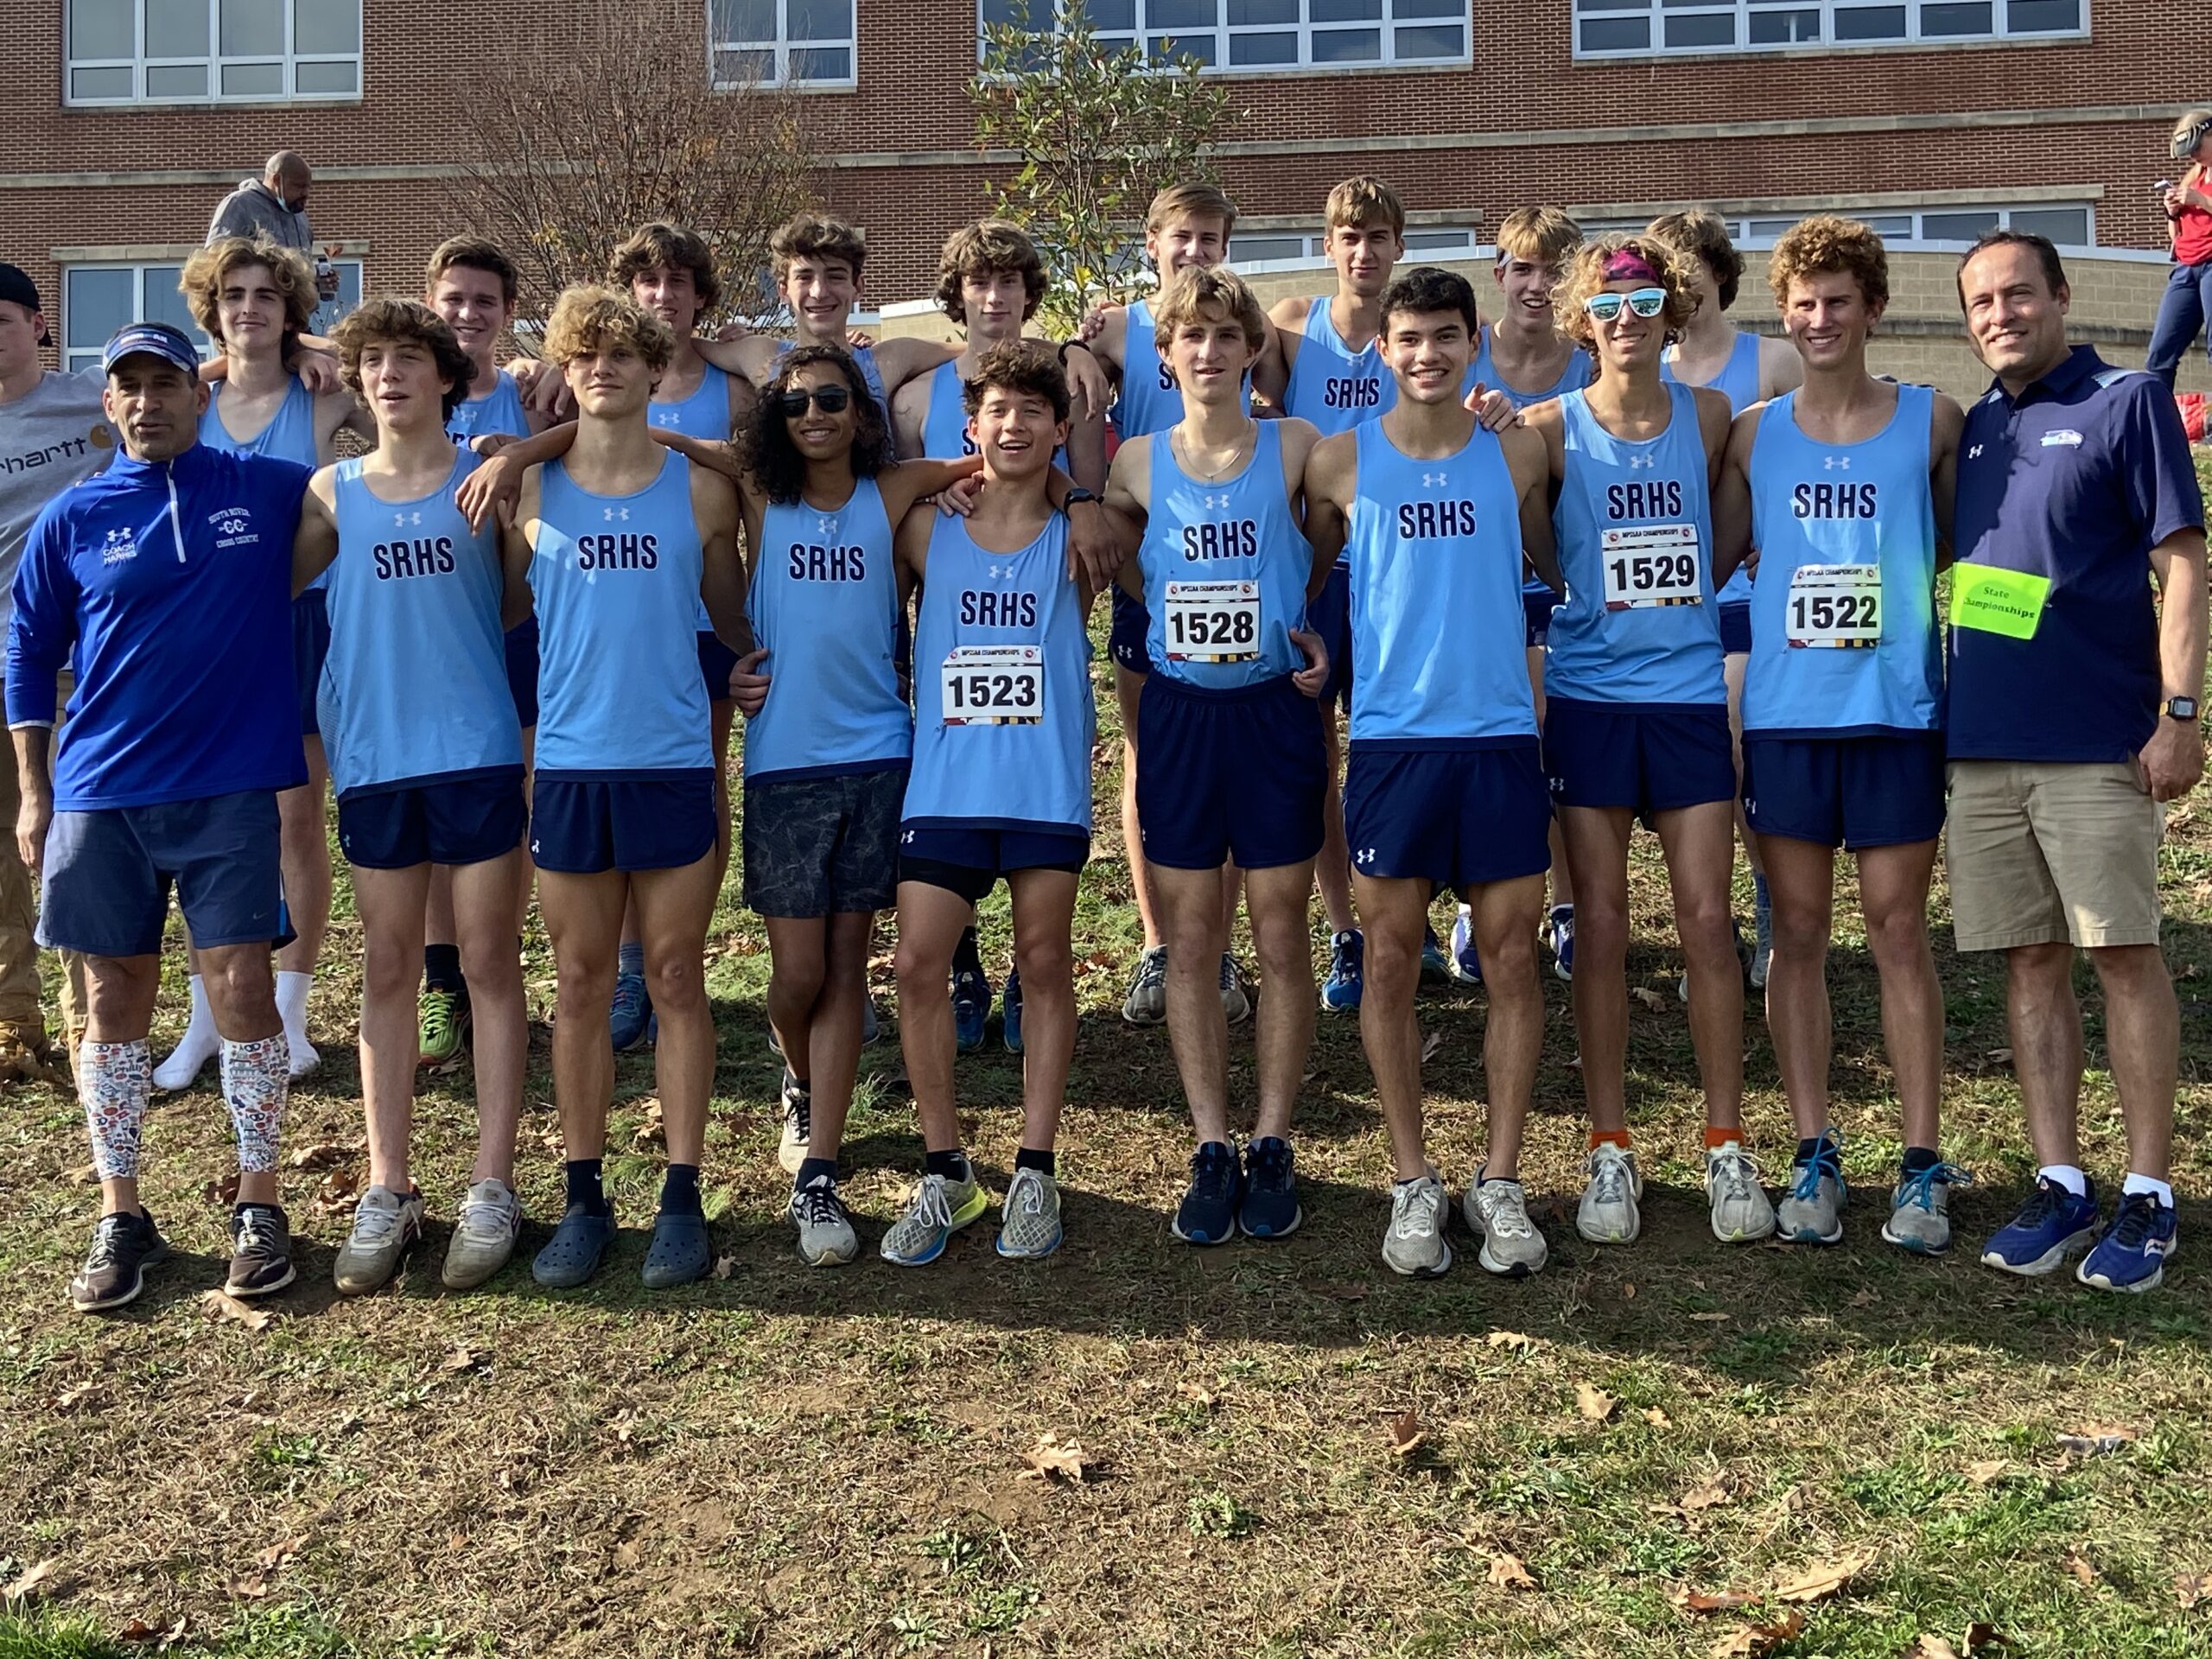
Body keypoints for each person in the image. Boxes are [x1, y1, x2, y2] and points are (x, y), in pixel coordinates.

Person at [7, 321, 308, 1312]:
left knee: (245, 994)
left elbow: (379, 483)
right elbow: (26, 652)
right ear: (108, 403)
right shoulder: (73, 517)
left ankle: (260, 1203)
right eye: (127, 385)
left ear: (199, 390)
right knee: (111, 1005)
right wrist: (36, 790)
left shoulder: (265, 491)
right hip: (101, 795)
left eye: (165, 382)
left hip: (227, 788)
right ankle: (120, 1210)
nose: (147, 401)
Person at [1947, 231, 2207, 1294]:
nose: (1998, 315)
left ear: (2060, 295)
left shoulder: (2128, 400)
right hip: (1980, 748)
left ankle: (2148, 1192)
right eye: (1978, 303)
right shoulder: (1972, 430)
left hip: (2097, 743)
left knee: (2122, 956)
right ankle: (2060, 1178)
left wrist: (2180, 713)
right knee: (2029, 962)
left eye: (2016, 294)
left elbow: (2181, 563)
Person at [1714, 216, 1967, 1251]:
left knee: (1899, 934)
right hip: (1784, 717)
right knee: (1798, 937)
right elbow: (1719, 553)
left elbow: (1951, 542)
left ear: (1872, 308)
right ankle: (1811, 1147)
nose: (1819, 319)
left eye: (1838, 302)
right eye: (1802, 304)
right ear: (1785, 314)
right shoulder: (1750, 432)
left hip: (1895, 711)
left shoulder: (1931, 420)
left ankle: (1919, 1161)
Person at [1303, 266, 1561, 1277]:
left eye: (1446, 337)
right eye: (1408, 339)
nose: (1427, 355)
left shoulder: (1518, 449)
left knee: (1508, 958)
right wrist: (1311, 644)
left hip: (1498, 737)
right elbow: (1309, 573)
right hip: (1391, 743)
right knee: (1392, 957)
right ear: (1384, 350)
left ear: (1472, 343)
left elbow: (1552, 562)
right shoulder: (1338, 462)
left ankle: (1498, 1180)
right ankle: (1411, 1179)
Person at [490, 285, 747, 1290]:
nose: (603, 369)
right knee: (584, 986)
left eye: (623, 356)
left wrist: (754, 665)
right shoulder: (533, 493)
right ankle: (585, 1195)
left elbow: (729, 621)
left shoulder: (699, 492)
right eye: (583, 355)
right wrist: (514, 456)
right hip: (569, 767)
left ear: (652, 372)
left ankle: (682, 1195)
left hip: (674, 760)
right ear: (564, 371)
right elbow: (507, 609)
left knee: (677, 978)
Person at [1529, 235, 1775, 1249]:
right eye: (1609, 304)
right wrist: (1577, 590)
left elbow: (1726, 537)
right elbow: (1534, 536)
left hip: (1681, 697)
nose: (1626, 321)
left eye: (1644, 304)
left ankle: (1724, 1142)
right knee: (1599, 925)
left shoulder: (1711, 416)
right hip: (1588, 697)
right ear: (1583, 320)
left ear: (1671, 316)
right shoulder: (1546, 429)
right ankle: (1609, 1145)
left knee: (1708, 923)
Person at [706, 346, 976, 1262]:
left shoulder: (892, 487)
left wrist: (1083, 499)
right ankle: (797, 1079)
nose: (814, 414)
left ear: (859, 412)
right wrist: (517, 453)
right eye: (794, 403)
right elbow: (655, 437)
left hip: (878, 756)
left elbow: (1002, 460)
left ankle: (818, 1170)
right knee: (797, 976)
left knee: (850, 967)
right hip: (784, 762)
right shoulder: (758, 492)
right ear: (773, 420)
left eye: (831, 398)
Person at [292, 300, 531, 1294]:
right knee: (388, 967)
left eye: (407, 359)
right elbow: (268, 589)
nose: (388, 375)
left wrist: (517, 459)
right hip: (377, 760)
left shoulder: (489, 478)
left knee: (485, 962)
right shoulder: (331, 491)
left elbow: (518, 597)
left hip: (474, 748)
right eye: (371, 361)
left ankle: (491, 1182)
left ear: (445, 375)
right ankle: (388, 1185)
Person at [1101, 267, 1330, 1245]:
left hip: (1273, 713)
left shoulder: (1295, 448)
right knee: (1192, 940)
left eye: (1222, 337)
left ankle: (1272, 1137)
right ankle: (1208, 1139)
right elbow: (1102, 540)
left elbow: (1323, 539)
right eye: (1187, 339)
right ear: (1165, 356)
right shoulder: (1137, 464)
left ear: (1249, 350)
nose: (1206, 353)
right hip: (1186, 716)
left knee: (1281, 934)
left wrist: (1303, 628)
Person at [883, 341, 1096, 1264]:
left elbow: (1112, 516)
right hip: (948, 782)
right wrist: (955, 472)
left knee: (1044, 964)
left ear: (1060, 427)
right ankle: (946, 1171)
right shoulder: (929, 527)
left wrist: (1075, 495)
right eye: (996, 413)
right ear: (972, 425)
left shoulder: (1081, 534)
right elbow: (878, 490)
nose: (1013, 428)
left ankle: (1037, 1168)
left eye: (1032, 414)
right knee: (916, 964)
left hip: (1041, 782)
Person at [893, 218, 1108, 1058]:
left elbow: (1082, 480)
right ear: (957, 296)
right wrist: (952, 479)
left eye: (1010, 281)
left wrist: (1077, 501)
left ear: (1028, 292)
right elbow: (895, 491)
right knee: (955, 810)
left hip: (1043, 593)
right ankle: (964, 966)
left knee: (1024, 807)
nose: (994, 295)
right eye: (979, 281)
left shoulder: (1067, 377)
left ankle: (1028, 971)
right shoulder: (916, 394)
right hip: (949, 606)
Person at [157, 235, 366, 1090]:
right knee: (209, 824)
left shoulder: (318, 403)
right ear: (214, 311)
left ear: (288, 313)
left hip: (298, 624)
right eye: (234, 295)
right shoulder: (188, 402)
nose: (249, 309)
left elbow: (380, 366)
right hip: (201, 633)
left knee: (293, 820)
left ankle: (288, 1011)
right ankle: (209, 1016)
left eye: (267, 297)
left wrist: (318, 356)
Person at [1083, 181, 1282, 1029]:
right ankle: (1159, 944)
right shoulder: (1115, 328)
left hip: (1242, 570)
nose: (1194, 252)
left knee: (1235, 773)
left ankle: (1220, 943)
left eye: (1209, 238)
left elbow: (1282, 405)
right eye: (1180, 239)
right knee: (1146, 763)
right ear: (1151, 242)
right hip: (1162, 580)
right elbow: (1073, 392)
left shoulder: (1246, 323)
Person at [596, 222, 761, 1054]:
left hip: (706, 617)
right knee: (625, 785)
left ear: (701, 296)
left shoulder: (729, 380)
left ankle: (677, 954)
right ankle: (632, 968)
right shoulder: (596, 375)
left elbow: (747, 469)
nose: (663, 297)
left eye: (678, 283)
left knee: (700, 780)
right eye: (649, 283)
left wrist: (678, 443)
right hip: (625, 624)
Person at [1651, 210, 1806, 998]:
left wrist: (1776, 539)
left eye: (1691, 268)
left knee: (1741, 748)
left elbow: (1821, 451)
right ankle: (1713, 933)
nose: (1679, 284)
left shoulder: (1772, 360)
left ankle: (1771, 917)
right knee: (1700, 775)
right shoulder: (1642, 360)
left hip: (1747, 593)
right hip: (1667, 604)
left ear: (1718, 272)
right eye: (1663, 273)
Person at [1268, 176, 1404, 1017]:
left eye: (1378, 237)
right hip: (1314, 573)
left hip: (1399, 578)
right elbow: (1182, 326)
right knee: (1317, 752)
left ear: (1398, 247)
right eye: (1348, 237)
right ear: (1328, 246)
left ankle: (1405, 907)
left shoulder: (1419, 334)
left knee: (1390, 742)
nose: (1363, 252)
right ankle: (1345, 924)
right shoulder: (1290, 328)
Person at [1452, 205, 1593, 989]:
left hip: (1564, 571)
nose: (1540, 286)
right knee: (1500, 745)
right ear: (1499, 274)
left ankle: (1568, 905)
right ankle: (1481, 905)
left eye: (1556, 270)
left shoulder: (1592, 356)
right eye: (1526, 268)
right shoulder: (1466, 353)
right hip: (1480, 582)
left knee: (1558, 743)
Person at [416, 236, 544, 1072]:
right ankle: (439, 985)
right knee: (430, 806)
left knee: (516, 800)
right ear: (431, 303)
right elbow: (299, 345)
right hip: (426, 625)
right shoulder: (396, 380)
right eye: (453, 299)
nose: (467, 314)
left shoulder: (535, 395)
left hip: (514, 619)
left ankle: (498, 967)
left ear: (506, 312)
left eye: (484, 302)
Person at [0, 263, 109, 1065]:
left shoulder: (94, 395)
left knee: (69, 842)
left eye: (3, 319)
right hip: (4, 663)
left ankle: (86, 1021)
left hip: (81, 660)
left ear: (38, 325)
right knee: (4, 845)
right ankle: (14, 1019)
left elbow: (221, 364)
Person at [2147, 110, 2212, 393]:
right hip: (2186, 267)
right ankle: (2156, 421)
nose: (2194, 155)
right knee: (2160, 353)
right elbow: (2175, 236)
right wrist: (2172, 213)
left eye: (2198, 147)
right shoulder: (2193, 176)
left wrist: (2201, 199)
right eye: (2190, 150)